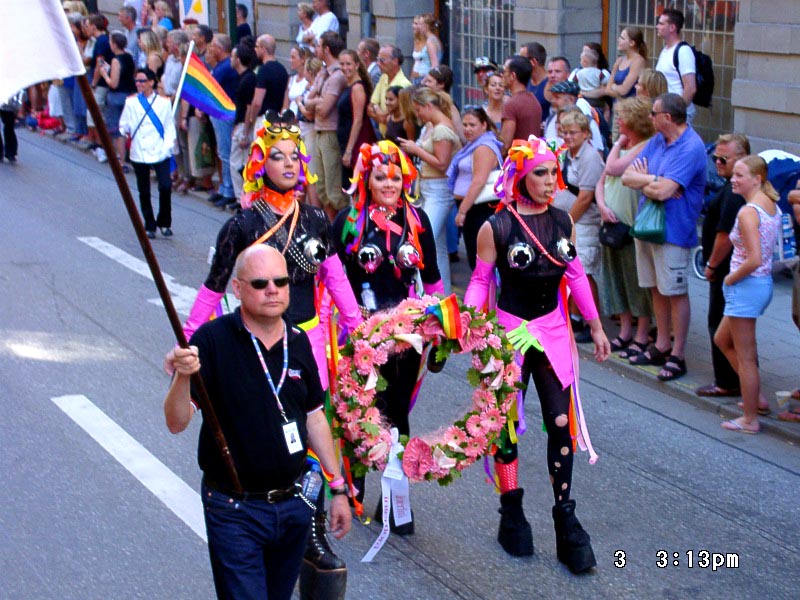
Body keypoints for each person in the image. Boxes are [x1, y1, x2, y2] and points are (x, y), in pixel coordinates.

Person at [182, 115, 362, 577]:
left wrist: (358, 329)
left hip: (308, 340)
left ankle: (313, 528)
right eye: (277, 156)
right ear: (261, 163)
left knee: (315, 426)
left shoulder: (317, 219)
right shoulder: (242, 224)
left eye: (293, 156)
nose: (287, 164)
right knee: (270, 429)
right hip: (256, 344)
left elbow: (335, 278)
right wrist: (189, 340)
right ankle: (257, 515)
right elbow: (215, 285)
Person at [164, 244, 352, 599]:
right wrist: (183, 376)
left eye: (281, 282)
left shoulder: (298, 342)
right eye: (260, 283)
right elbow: (176, 421)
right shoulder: (212, 340)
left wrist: (338, 487)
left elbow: (314, 418)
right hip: (234, 508)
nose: (272, 290)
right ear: (237, 288)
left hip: (294, 503)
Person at [464, 135, 609, 571]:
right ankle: (511, 510)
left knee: (561, 422)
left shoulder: (563, 221)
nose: (550, 181)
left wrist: (596, 326)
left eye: (553, 172)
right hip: (510, 333)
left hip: (552, 332)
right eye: (540, 173)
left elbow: (576, 276)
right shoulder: (496, 226)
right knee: (505, 424)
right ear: (521, 177)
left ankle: (566, 519)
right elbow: (481, 281)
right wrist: (468, 325)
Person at [332, 141, 443, 523]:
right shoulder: (348, 221)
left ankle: (395, 501)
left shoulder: (418, 220)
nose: (390, 184)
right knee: (359, 409)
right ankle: (355, 489)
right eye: (381, 177)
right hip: (360, 332)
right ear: (367, 179)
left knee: (396, 412)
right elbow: (333, 280)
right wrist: (347, 323)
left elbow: (433, 279)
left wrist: (442, 325)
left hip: (407, 336)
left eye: (396, 178)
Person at [621, 93, 707, 381]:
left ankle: (678, 354)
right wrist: (656, 181)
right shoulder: (659, 139)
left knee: (675, 292)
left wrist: (650, 181)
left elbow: (663, 192)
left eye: (654, 113)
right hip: (648, 225)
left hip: (674, 230)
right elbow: (628, 177)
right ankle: (661, 344)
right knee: (656, 288)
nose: (650, 117)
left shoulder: (691, 146)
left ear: (667, 117)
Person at [716, 156, 782, 434]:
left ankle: (750, 418)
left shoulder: (747, 212)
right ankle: (756, 400)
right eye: (734, 174)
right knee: (722, 340)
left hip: (746, 286)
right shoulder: (770, 204)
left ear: (757, 179)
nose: (733, 179)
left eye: (740, 175)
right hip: (758, 285)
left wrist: (730, 278)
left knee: (746, 357)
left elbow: (754, 259)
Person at [595, 96, 654, 356]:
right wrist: (602, 205)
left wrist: (618, 143)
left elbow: (612, 168)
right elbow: (601, 180)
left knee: (635, 282)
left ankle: (641, 333)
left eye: (623, 117)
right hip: (610, 222)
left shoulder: (644, 145)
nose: (618, 120)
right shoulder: (623, 144)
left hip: (630, 225)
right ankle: (625, 330)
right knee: (615, 279)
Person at [696, 133, 749, 398]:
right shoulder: (732, 187)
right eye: (715, 157)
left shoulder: (734, 192)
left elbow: (725, 235)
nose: (717, 162)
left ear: (742, 158)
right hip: (730, 272)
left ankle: (728, 382)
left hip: (726, 271)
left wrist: (712, 265)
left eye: (723, 159)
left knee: (719, 326)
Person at [398, 88, 462, 294]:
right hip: (429, 189)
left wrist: (416, 149)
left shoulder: (442, 130)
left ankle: (422, 293)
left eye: (418, 110)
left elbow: (442, 163)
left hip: (439, 190)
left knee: (422, 242)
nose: (417, 115)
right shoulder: (432, 126)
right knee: (438, 248)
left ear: (428, 106)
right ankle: (442, 294)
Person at [552, 109, 606, 341]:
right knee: (570, 270)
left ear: (585, 133)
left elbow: (585, 197)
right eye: (565, 132)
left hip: (584, 223)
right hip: (570, 220)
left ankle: (589, 322)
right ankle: (574, 316)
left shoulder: (590, 157)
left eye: (573, 132)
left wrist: (567, 223)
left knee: (583, 272)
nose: (568, 137)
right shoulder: (568, 154)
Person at [118, 68, 177, 239]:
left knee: (165, 186)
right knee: (144, 190)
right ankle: (149, 224)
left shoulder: (164, 103)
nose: (138, 84)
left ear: (151, 82)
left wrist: (167, 147)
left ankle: (164, 222)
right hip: (140, 150)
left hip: (159, 150)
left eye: (142, 81)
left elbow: (169, 127)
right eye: (136, 81)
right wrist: (124, 129)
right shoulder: (131, 102)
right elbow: (124, 124)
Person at [299, 31, 348, 220]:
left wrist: (313, 102)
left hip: (329, 133)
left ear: (326, 49)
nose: (316, 49)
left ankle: (340, 229)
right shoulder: (323, 72)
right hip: (318, 131)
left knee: (333, 189)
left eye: (318, 46)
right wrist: (315, 101)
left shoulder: (337, 76)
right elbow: (308, 99)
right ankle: (328, 228)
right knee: (321, 187)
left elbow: (324, 109)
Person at [448, 106, 503, 269]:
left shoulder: (484, 147)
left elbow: (479, 181)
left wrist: (462, 211)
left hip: (479, 209)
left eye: (472, 125)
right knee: (476, 257)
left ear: (484, 125)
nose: (467, 129)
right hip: (473, 208)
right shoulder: (474, 145)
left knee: (480, 260)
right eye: (465, 125)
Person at [207, 34, 240, 209]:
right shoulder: (220, 65)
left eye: (213, 45)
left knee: (226, 152)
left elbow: (211, 86)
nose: (210, 48)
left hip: (224, 114)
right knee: (222, 152)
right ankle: (224, 187)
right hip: (219, 114)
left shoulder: (225, 67)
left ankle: (229, 190)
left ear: (220, 48)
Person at [336, 49, 376, 187]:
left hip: (355, 144)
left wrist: (349, 151)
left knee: (355, 186)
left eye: (348, 64)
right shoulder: (349, 86)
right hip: (345, 141)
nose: (345, 67)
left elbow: (358, 120)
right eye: (342, 64)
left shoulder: (357, 88)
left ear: (357, 65)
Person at [97, 31, 136, 168]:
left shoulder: (116, 60)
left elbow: (113, 83)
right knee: (124, 127)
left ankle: (120, 159)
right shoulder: (129, 57)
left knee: (116, 129)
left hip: (116, 96)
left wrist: (104, 74)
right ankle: (123, 157)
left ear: (114, 44)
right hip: (128, 94)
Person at [655, 8, 697, 125]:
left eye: (661, 24)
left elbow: (690, 88)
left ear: (672, 28)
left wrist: (676, 113)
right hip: (666, 111)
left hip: (676, 115)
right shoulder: (666, 49)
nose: (657, 26)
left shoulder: (683, 51)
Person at [230, 42, 258, 203]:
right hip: (240, 124)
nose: (231, 60)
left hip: (244, 125)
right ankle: (242, 197)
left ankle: (243, 199)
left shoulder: (248, 79)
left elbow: (249, 107)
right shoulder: (243, 78)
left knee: (238, 163)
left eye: (233, 57)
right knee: (238, 163)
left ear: (238, 59)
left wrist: (245, 132)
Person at [544, 81, 605, 154]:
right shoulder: (550, 119)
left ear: (571, 99)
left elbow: (598, 153)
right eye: (553, 97)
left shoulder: (588, 122)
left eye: (557, 97)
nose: (552, 100)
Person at [499, 55, 542, 154]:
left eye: (504, 72)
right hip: (533, 158)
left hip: (517, 160)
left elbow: (505, 144)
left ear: (513, 76)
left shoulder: (511, 104)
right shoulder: (534, 100)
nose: (502, 75)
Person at [248, 34, 289, 137]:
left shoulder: (263, 70)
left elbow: (257, 102)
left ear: (263, 49)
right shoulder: (282, 69)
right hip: (278, 120)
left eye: (257, 46)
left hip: (264, 120)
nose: (255, 49)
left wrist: (252, 118)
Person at [368, 45, 411, 137]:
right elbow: (370, 108)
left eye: (382, 60)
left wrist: (376, 109)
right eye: (377, 59)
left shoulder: (404, 85)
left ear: (395, 61)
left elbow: (387, 118)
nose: (378, 63)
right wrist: (380, 115)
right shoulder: (383, 77)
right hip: (382, 134)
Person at [605, 28, 648, 103]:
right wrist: (615, 90)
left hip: (630, 107)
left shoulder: (638, 61)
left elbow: (624, 90)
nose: (618, 40)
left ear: (632, 43)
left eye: (622, 38)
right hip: (616, 105)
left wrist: (613, 86)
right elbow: (607, 89)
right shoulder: (620, 60)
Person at [519, 42, 551, 123]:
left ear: (533, 61)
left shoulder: (550, 83)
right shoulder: (525, 80)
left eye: (521, 60)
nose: (518, 63)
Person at [410, 13, 442, 84]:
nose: (418, 26)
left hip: (423, 79)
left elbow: (435, 65)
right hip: (419, 78)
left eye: (420, 24)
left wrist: (423, 82)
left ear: (426, 26)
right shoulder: (432, 39)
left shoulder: (430, 41)